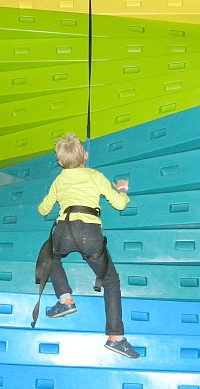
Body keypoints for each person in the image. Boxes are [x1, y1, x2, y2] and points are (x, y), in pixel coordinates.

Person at [37, 132, 139, 359]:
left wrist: (50, 202)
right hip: (90, 234)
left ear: (61, 162)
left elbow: (43, 209)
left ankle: (65, 300)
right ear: (85, 155)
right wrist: (122, 189)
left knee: (49, 256)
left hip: (64, 229)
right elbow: (120, 204)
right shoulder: (95, 176)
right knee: (111, 280)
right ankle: (116, 338)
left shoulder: (59, 179)